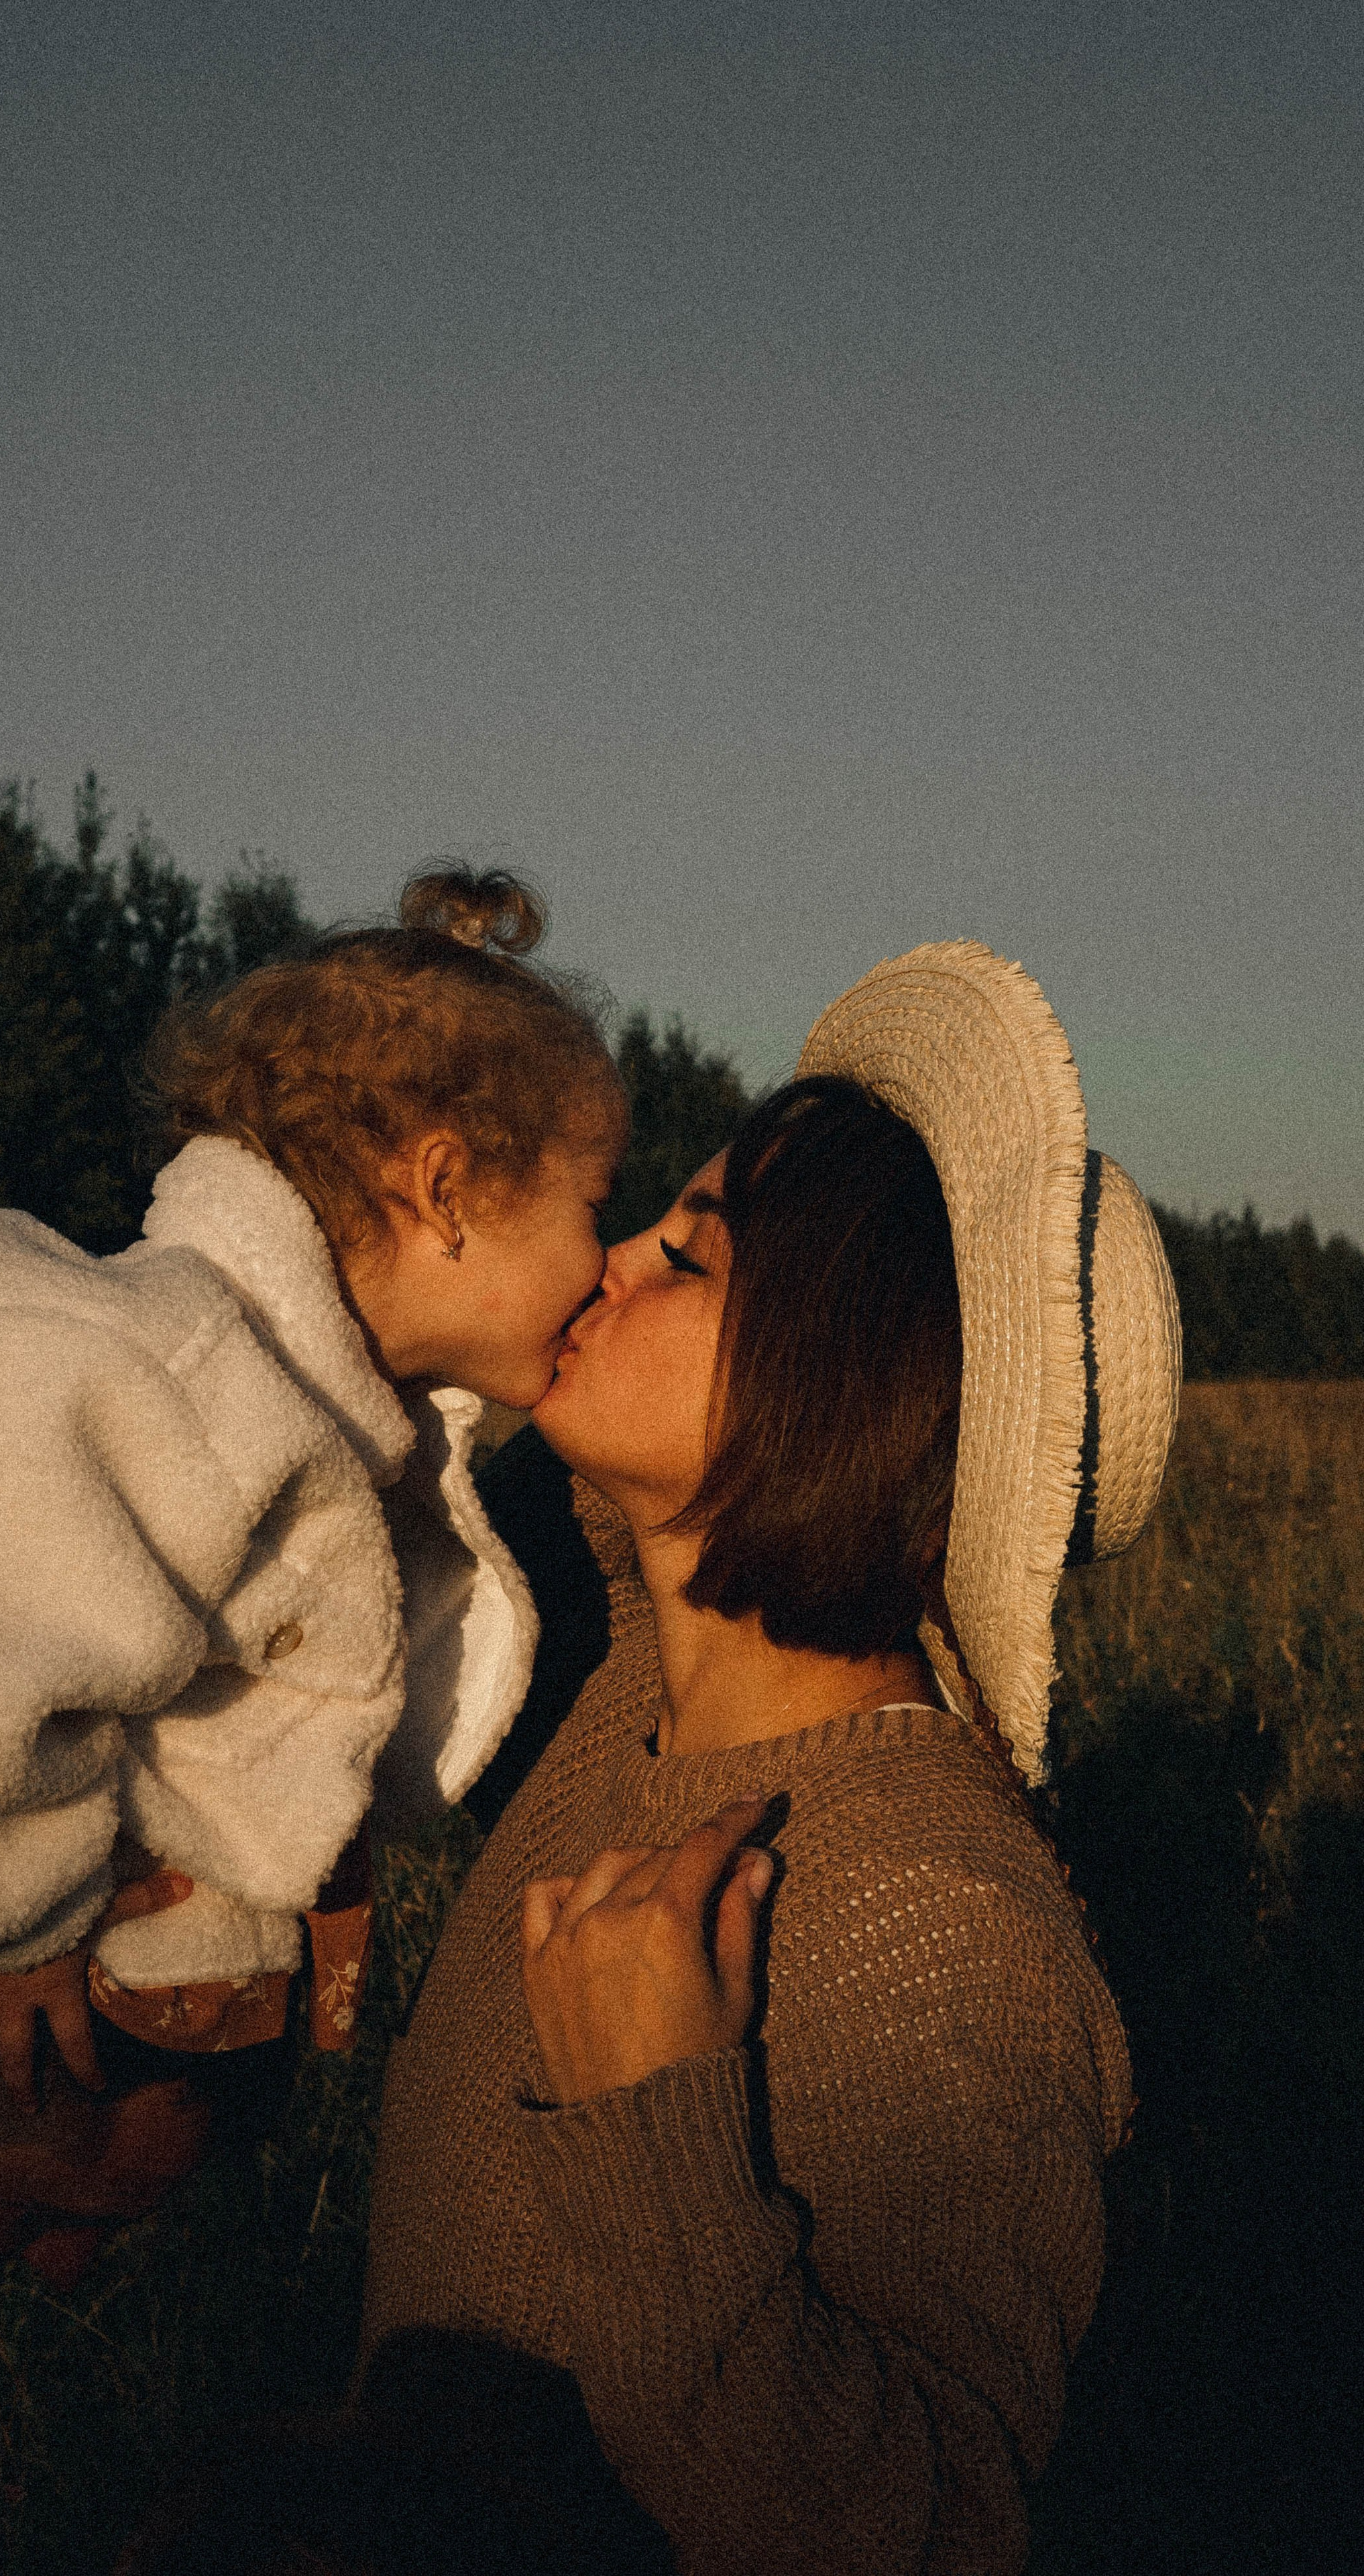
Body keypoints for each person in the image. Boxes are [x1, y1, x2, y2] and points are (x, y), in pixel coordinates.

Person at [0, 867, 624, 2575]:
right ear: (444, 1187)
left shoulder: (306, 1404)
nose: (603, 1262)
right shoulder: (159, 1366)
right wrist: (13, 1917)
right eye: (592, 1206)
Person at [348, 939, 1182, 2575]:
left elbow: (931, 2534)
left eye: (693, 1259)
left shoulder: (941, 1926)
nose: (606, 1261)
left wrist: (655, 2124)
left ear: (851, 1382)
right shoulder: (601, 1680)